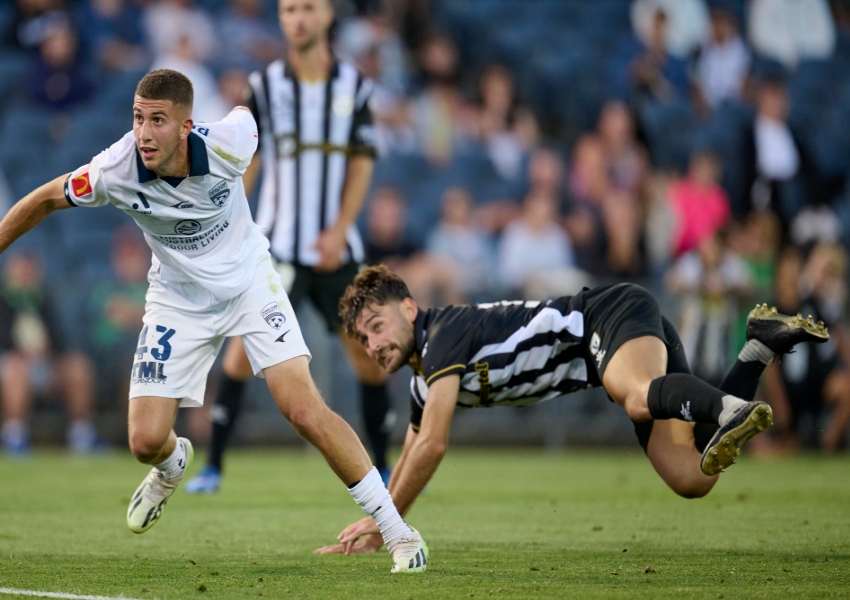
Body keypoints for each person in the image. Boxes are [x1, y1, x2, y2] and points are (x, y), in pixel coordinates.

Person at [0, 68, 427, 573]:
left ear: (186, 127)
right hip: (177, 299)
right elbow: (48, 197)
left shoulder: (230, 142)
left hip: (250, 282)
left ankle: (400, 534)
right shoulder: (114, 168)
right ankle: (173, 463)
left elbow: (249, 116)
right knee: (144, 443)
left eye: (158, 120)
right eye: (138, 118)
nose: (144, 133)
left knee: (304, 410)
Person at [316, 265, 827, 555]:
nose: (372, 344)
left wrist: (389, 530)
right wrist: (379, 523)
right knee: (692, 476)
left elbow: (432, 444)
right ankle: (757, 350)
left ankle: (731, 407)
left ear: (408, 308)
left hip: (606, 314)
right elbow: (408, 461)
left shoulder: (442, 333)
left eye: (377, 326)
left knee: (634, 392)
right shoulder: (423, 381)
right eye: (362, 339)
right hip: (608, 348)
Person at [186, 0, 395, 495]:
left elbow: (362, 162)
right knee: (240, 356)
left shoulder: (354, 86)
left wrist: (340, 227)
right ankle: (213, 467)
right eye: (287, 10)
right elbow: (247, 160)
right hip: (276, 245)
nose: (296, 18)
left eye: (306, 8)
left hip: (335, 252)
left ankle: (384, 468)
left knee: (367, 354)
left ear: (326, 17)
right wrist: (234, 224)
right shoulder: (263, 87)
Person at [0, 252, 98, 454]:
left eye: (30, 270)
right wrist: (20, 353)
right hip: (12, 365)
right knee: (14, 368)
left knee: (77, 365)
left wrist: (48, 354)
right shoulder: (3, 302)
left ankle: (81, 433)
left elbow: (60, 340)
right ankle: (14, 435)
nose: (25, 275)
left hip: (46, 365)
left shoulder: (45, 301)